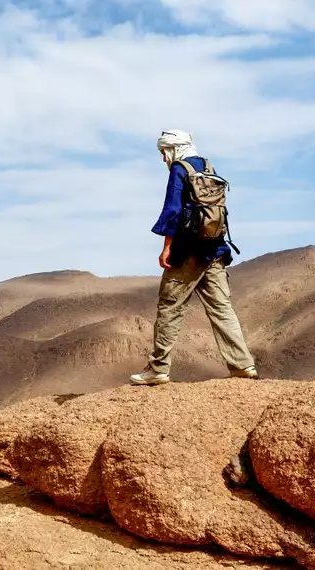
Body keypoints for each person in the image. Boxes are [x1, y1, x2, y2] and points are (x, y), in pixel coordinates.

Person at [129, 129, 258, 386]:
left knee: (169, 307)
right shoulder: (208, 167)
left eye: (163, 152)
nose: (163, 158)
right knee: (222, 310)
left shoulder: (180, 169)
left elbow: (173, 211)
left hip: (188, 253)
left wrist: (167, 247)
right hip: (215, 250)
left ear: (173, 149)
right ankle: (242, 365)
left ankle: (158, 368)